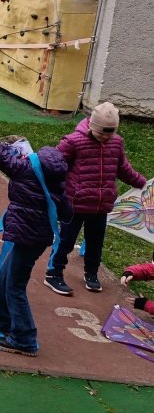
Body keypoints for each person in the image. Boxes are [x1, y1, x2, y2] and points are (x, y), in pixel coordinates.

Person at [0, 122, 71, 357]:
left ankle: (25, 339)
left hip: (28, 239)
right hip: (35, 238)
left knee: (15, 286)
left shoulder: (25, 170)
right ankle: (2, 318)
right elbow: (67, 213)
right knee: (5, 275)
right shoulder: (56, 183)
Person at [45, 102, 147, 295]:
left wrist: (141, 183)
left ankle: (91, 273)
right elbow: (55, 163)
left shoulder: (116, 143)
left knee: (95, 243)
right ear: (92, 126)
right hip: (75, 203)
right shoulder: (74, 141)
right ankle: (53, 273)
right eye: (101, 133)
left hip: (101, 205)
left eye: (110, 134)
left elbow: (122, 168)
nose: (105, 138)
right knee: (66, 240)